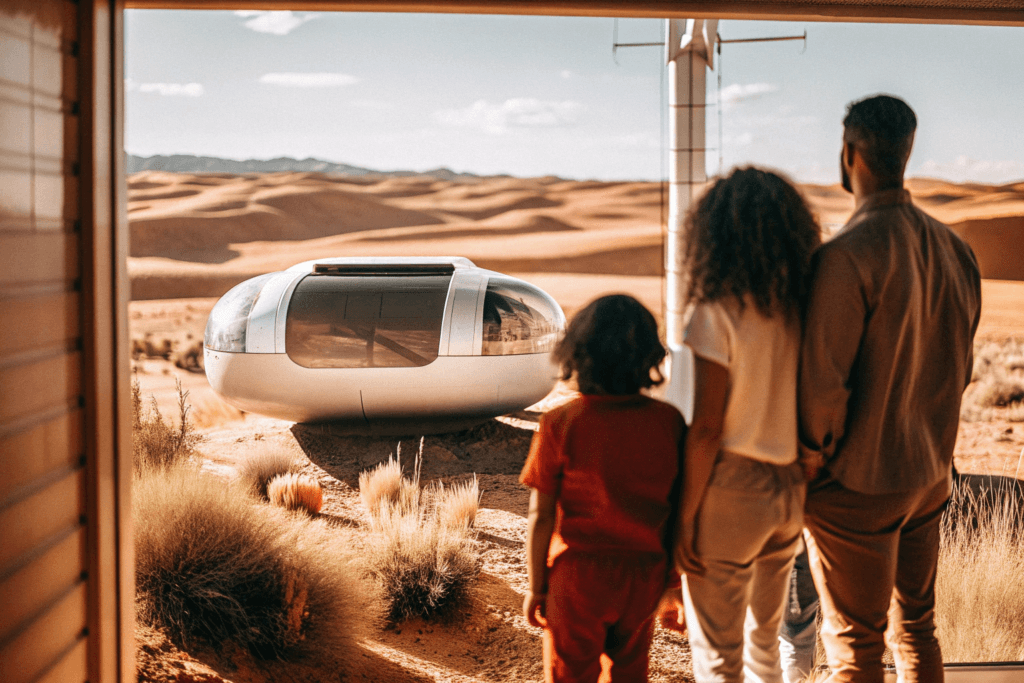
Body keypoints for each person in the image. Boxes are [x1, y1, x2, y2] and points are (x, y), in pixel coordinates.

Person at [799, 94, 982, 683]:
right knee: (918, 628)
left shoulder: (845, 257)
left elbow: (823, 389)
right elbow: (965, 368)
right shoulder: (957, 251)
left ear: (848, 155)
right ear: (906, 152)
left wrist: (810, 467)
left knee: (855, 646)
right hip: (930, 477)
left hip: (859, 485)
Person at [673, 167, 822, 683]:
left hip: (731, 489)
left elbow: (707, 428)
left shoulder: (713, 314)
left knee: (718, 654)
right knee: (764, 646)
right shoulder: (800, 312)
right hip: (788, 488)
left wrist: (684, 517)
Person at [521, 294, 687, 683]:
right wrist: (674, 584)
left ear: (576, 354)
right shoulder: (669, 423)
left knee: (570, 675)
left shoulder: (562, 423)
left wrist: (536, 588)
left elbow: (541, 514)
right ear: (649, 356)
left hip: (579, 578)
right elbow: (679, 509)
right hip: (644, 576)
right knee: (630, 673)